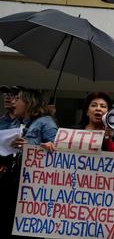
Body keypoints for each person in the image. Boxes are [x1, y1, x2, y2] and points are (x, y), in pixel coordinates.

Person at [3, 88, 58, 239]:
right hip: (15, 182)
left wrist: (32, 146)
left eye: (18, 99)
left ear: (29, 103)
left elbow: (57, 152)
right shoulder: (20, 122)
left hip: (32, 189)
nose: (14, 102)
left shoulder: (46, 123)